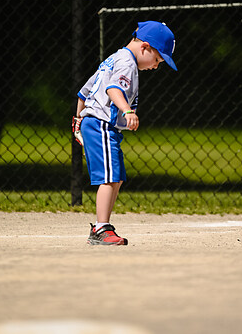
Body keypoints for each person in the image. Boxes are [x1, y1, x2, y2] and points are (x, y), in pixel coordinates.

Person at [72, 21, 177, 245]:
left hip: (96, 124)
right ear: (145, 47)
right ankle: (101, 229)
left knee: (116, 177)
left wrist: (78, 120)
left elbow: (84, 92)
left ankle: (103, 226)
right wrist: (127, 110)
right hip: (101, 124)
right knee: (110, 177)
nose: (156, 66)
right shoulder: (127, 63)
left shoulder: (114, 58)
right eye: (158, 59)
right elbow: (113, 89)